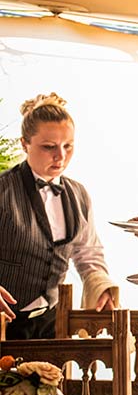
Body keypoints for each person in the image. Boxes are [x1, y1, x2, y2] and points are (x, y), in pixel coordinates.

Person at [0, 93, 117, 338]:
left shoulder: (79, 194)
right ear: (24, 144)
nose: (60, 156)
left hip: (53, 322)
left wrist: (102, 287)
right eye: (49, 147)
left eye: (68, 146)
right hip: (4, 322)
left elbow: (87, 252)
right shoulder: (3, 190)